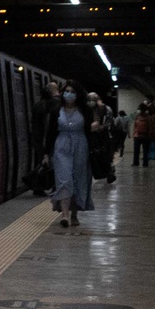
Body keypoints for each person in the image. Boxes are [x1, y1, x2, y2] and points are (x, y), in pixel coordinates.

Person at [44, 82, 94, 229]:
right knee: (64, 179)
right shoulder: (56, 110)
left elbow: (89, 131)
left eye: (72, 91)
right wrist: (46, 153)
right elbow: (51, 132)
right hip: (61, 146)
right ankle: (64, 215)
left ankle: (74, 214)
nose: (69, 94)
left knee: (78, 180)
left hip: (81, 146)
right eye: (66, 91)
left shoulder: (85, 111)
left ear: (78, 95)